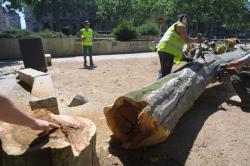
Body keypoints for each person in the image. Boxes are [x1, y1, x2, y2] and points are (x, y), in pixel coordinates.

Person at [157, 14, 203, 78]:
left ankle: (159, 81)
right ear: (185, 20)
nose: (186, 24)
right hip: (168, 50)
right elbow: (187, 40)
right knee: (166, 73)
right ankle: (159, 86)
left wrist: (186, 58)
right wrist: (197, 40)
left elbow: (180, 44)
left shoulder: (174, 26)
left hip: (163, 48)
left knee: (164, 70)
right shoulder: (181, 26)